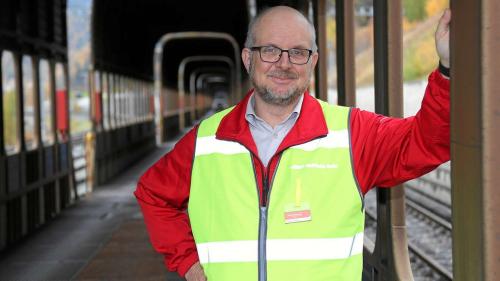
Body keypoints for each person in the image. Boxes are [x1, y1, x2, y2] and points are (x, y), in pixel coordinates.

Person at [135, 5, 451, 281]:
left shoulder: (352, 133)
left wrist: (448, 71)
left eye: (298, 52)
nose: (284, 64)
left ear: (312, 61)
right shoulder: (207, 140)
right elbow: (153, 194)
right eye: (270, 50)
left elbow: (427, 141)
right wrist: (189, 263)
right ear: (248, 59)